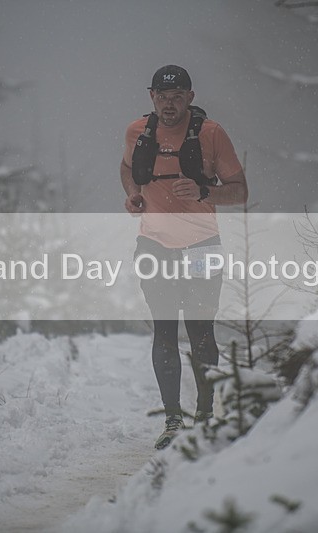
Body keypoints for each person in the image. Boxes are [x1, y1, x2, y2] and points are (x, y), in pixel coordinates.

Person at [120, 65, 248, 449]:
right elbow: (127, 168)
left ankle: (206, 416)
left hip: (201, 248)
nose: (169, 105)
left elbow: (240, 191)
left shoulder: (211, 134)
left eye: (177, 97)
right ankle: (173, 419)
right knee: (164, 332)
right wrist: (133, 195)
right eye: (162, 97)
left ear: (191, 97)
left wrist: (203, 191)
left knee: (201, 332)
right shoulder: (136, 132)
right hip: (155, 246)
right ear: (152, 97)